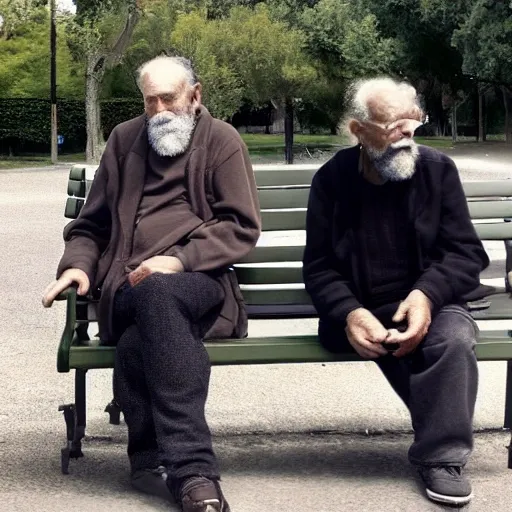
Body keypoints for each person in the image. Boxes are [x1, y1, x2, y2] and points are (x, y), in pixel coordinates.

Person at [42, 55, 261, 512]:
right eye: (151, 100)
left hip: (197, 283)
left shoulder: (222, 141)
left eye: (170, 98)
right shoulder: (124, 141)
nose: (160, 109)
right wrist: (77, 267)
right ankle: (193, 472)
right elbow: (90, 227)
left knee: (153, 310)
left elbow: (240, 226)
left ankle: (155, 461)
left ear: (195, 96)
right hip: (125, 288)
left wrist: (178, 261)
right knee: (149, 307)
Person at [302, 77, 489, 507]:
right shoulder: (332, 180)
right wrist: (349, 312)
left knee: (453, 339)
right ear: (359, 131)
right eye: (393, 126)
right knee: (401, 344)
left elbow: (465, 253)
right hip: (361, 312)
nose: (407, 135)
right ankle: (439, 431)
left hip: (430, 303)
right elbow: (319, 266)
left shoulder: (438, 170)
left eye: (413, 123)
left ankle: (442, 459)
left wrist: (426, 295)